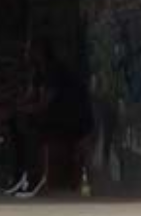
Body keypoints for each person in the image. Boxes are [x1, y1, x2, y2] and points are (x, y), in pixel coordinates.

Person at [7, 40, 91, 199]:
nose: (27, 54)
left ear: (40, 52)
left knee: (34, 129)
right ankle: (20, 174)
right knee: (18, 125)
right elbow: (32, 96)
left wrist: (29, 109)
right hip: (56, 115)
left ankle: (37, 176)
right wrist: (18, 108)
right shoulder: (38, 71)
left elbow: (46, 101)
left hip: (73, 117)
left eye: (31, 51)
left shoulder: (54, 70)